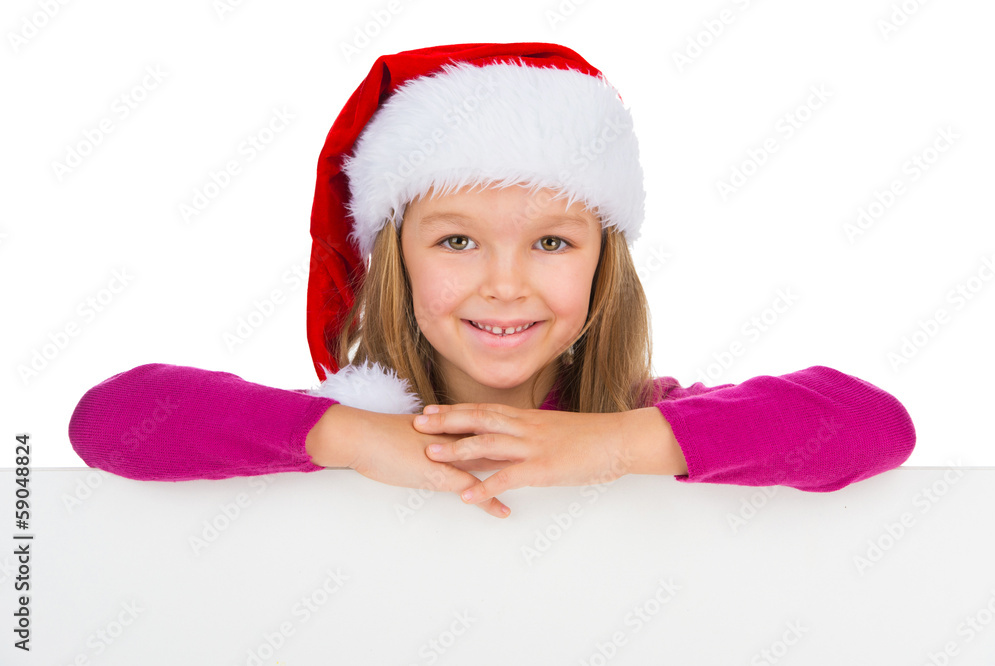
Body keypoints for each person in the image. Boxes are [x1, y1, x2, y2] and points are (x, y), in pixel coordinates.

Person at [68, 42, 916, 520]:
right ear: (396, 261)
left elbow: (872, 424)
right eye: (459, 241)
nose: (505, 285)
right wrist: (353, 439)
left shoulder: (649, 416)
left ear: (603, 264)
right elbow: (110, 418)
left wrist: (616, 444)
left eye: (551, 241)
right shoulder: (343, 428)